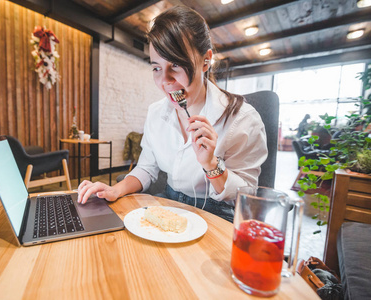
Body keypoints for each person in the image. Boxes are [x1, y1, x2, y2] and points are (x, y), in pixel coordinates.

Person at [77, 5, 267, 222]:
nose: (164, 81)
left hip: (219, 213)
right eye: (156, 68)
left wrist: (211, 165)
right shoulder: (156, 112)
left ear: (205, 61)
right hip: (169, 202)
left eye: (175, 64)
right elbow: (147, 168)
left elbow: (246, 196)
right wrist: (115, 190)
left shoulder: (243, 119)